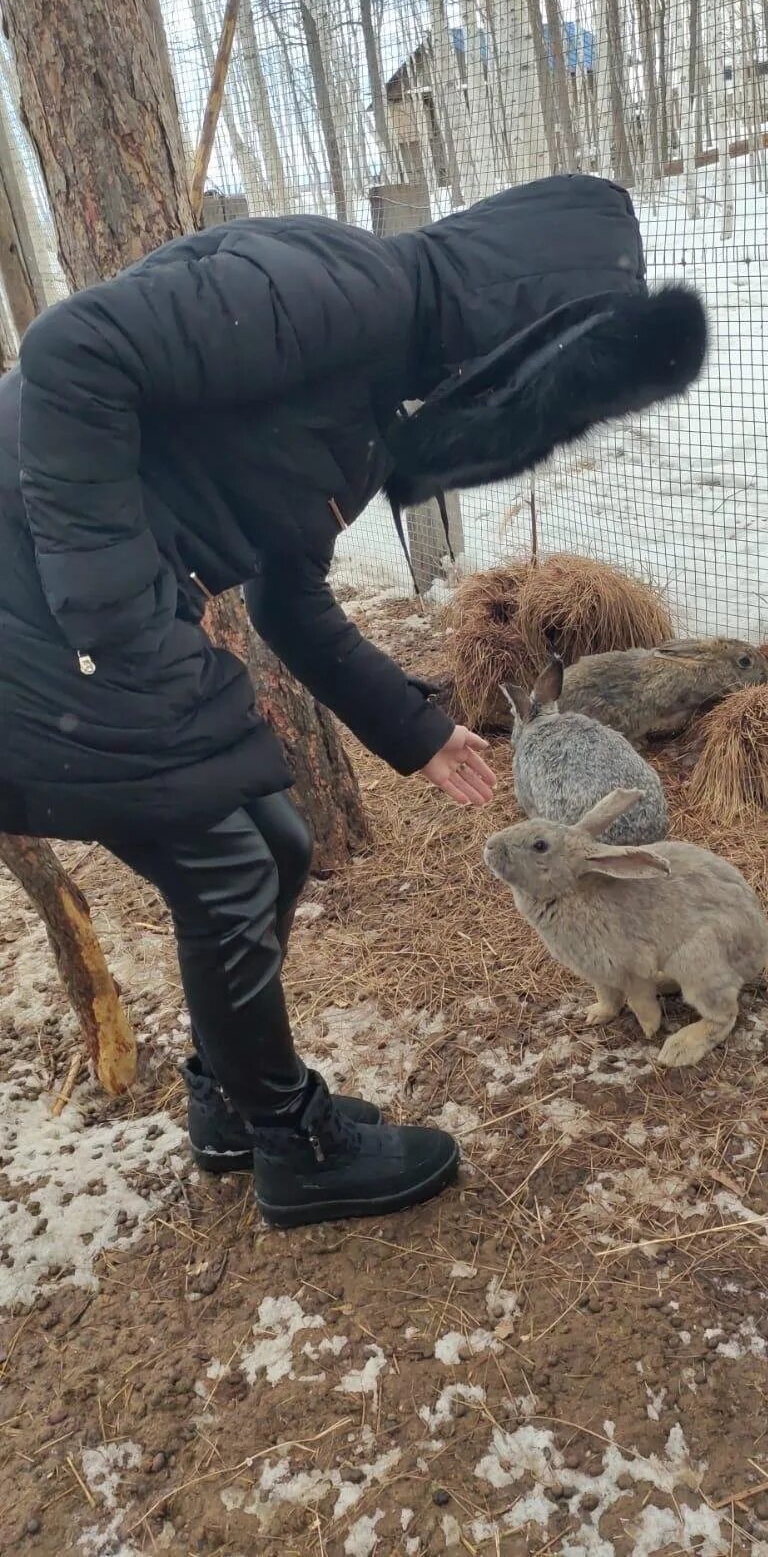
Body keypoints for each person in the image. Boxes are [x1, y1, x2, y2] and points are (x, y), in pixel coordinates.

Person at [0, 174, 706, 1229]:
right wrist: (120, 613)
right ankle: (295, 1148)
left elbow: (289, 597)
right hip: (38, 609)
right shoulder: (344, 291)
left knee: (272, 846)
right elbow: (69, 357)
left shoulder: (370, 403)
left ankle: (236, 1105)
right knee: (229, 864)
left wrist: (414, 730)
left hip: (79, 615)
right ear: (516, 323)